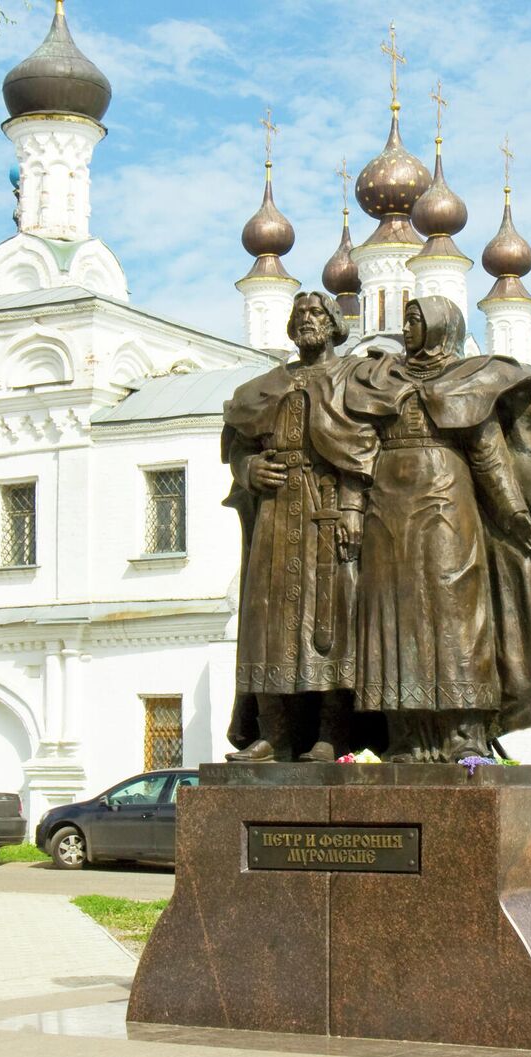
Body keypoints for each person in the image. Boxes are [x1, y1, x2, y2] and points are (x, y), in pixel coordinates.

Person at [344, 296, 531, 760]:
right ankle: (406, 734)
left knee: (456, 614)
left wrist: (513, 513)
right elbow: (354, 450)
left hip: (447, 509)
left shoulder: (470, 381)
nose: (407, 330)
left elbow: (489, 455)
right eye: (406, 321)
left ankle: (462, 731)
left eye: (416, 321)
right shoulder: (379, 379)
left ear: (443, 327)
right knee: (390, 615)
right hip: (385, 513)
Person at [221, 292, 375, 762]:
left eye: (316, 314)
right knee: (269, 622)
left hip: (328, 512)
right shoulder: (265, 386)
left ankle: (333, 735)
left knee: (333, 624)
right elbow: (238, 444)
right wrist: (248, 470)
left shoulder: (353, 376)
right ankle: (275, 735)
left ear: (334, 324)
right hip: (275, 513)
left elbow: (365, 445)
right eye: (300, 314)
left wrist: (352, 506)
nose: (306, 321)